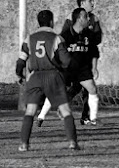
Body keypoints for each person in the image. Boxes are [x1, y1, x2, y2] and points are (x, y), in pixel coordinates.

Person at [16, 10, 80, 151]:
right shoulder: (57, 38)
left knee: (30, 111)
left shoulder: (29, 38)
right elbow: (66, 61)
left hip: (35, 77)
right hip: (53, 76)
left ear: (38, 22)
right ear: (51, 22)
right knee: (65, 111)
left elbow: (21, 61)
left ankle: (24, 144)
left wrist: (20, 75)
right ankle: (72, 142)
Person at [38, 0, 102, 126]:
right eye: (90, 1)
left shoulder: (94, 18)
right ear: (82, 3)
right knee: (74, 87)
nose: (93, 3)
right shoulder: (72, 18)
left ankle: (87, 117)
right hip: (72, 62)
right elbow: (64, 39)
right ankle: (51, 111)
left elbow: (97, 39)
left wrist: (90, 37)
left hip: (85, 59)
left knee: (86, 88)